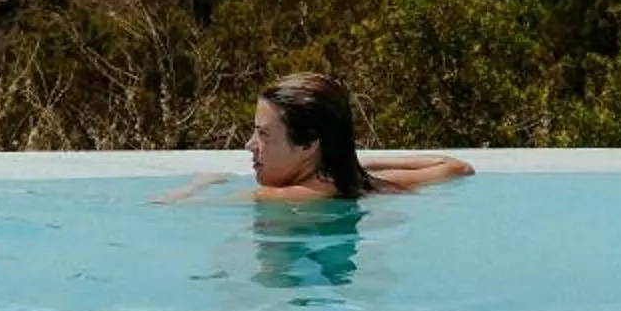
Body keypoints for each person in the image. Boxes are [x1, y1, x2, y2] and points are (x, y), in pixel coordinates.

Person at [161, 73, 473, 202]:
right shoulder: (358, 183)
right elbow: (456, 167)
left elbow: (169, 205)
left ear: (309, 144)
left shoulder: (277, 197)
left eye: (263, 134)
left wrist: (198, 185)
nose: (249, 145)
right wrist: (350, 160)